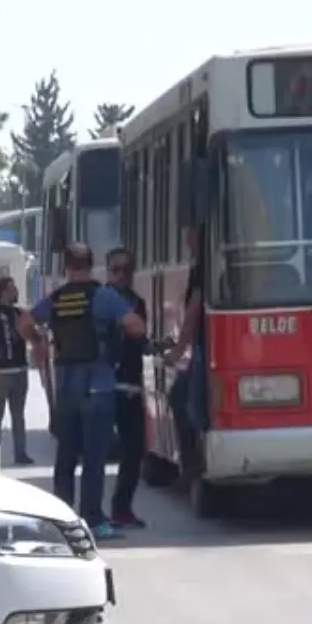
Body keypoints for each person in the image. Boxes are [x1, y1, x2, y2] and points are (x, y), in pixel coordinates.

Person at [18, 243, 146, 540]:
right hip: (98, 387)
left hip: (66, 387)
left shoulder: (57, 299)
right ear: (93, 265)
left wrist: (38, 341)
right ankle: (93, 519)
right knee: (94, 457)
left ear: (66, 267)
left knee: (66, 454)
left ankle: (61, 519)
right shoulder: (104, 296)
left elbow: (24, 321)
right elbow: (135, 326)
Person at [104, 247, 156, 529]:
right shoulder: (100, 300)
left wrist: (158, 347)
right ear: (107, 271)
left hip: (130, 384)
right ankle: (90, 513)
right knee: (93, 451)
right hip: (102, 385)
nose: (121, 276)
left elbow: (140, 341)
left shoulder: (137, 302)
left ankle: (121, 509)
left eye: (127, 270)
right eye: (115, 270)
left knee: (134, 450)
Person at [163, 226, 207, 476]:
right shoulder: (203, 262)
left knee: (182, 396)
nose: (187, 238)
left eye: (191, 232)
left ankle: (193, 464)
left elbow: (194, 309)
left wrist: (180, 349)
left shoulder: (203, 266)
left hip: (205, 345)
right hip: (202, 343)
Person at [0, 276, 33, 465]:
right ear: (2, 292)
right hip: (1, 372)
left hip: (20, 369)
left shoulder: (19, 314)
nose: (15, 292)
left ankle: (21, 453)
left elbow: (30, 336)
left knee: (18, 415)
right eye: (12, 289)